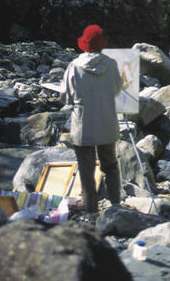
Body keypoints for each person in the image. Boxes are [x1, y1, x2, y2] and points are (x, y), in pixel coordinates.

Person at [59, 24, 122, 214]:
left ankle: (92, 213)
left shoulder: (74, 66)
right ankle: (116, 208)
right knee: (110, 166)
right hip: (107, 123)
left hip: (83, 125)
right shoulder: (111, 64)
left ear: (84, 44)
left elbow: (65, 96)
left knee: (86, 172)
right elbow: (117, 89)